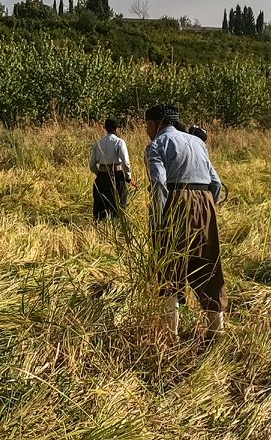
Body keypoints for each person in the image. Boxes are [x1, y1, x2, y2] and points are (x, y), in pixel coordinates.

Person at [144, 103, 226, 340]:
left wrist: (158, 221)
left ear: (153, 124)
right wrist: (209, 207)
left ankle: (171, 335)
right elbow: (216, 183)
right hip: (206, 201)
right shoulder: (198, 142)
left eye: (146, 126)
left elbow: (159, 183)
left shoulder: (157, 144)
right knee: (208, 264)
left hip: (177, 202)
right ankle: (215, 332)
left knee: (170, 267)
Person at [90, 117, 134, 221]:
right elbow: (126, 163)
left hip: (102, 176)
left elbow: (92, 165)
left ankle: (100, 226)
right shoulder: (119, 142)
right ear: (117, 129)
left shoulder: (98, 143)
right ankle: (118, 226)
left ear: (105, 128)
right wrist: (128, 177)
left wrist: (99, 174)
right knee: (119, 203)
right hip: (117, 175)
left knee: (100, 205)